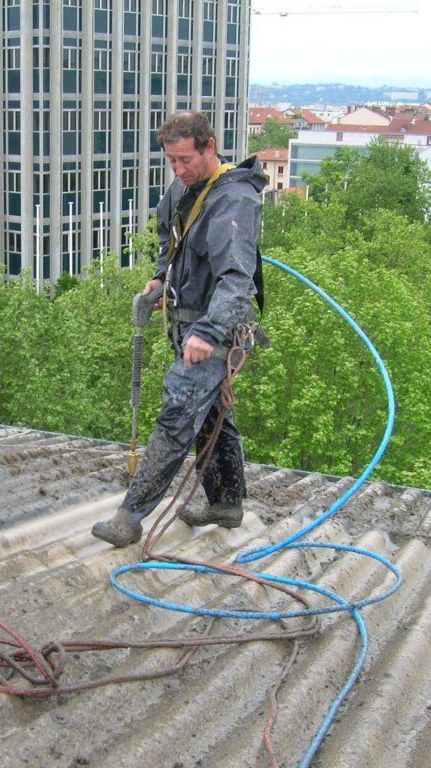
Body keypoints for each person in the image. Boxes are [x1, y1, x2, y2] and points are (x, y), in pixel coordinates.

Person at [92, 110, 267, 548]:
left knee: (177, 413)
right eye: (171, 161)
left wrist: (208, 334)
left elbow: (236, 280)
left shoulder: (234, 201)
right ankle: (226, 504)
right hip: (189, 327)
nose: (179, 169)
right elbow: (171, 242)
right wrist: (158, 279)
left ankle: (129, 518)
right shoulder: (183, 188)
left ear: (210, 147)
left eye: (186, 160)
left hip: (216, 331)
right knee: (211, 417)